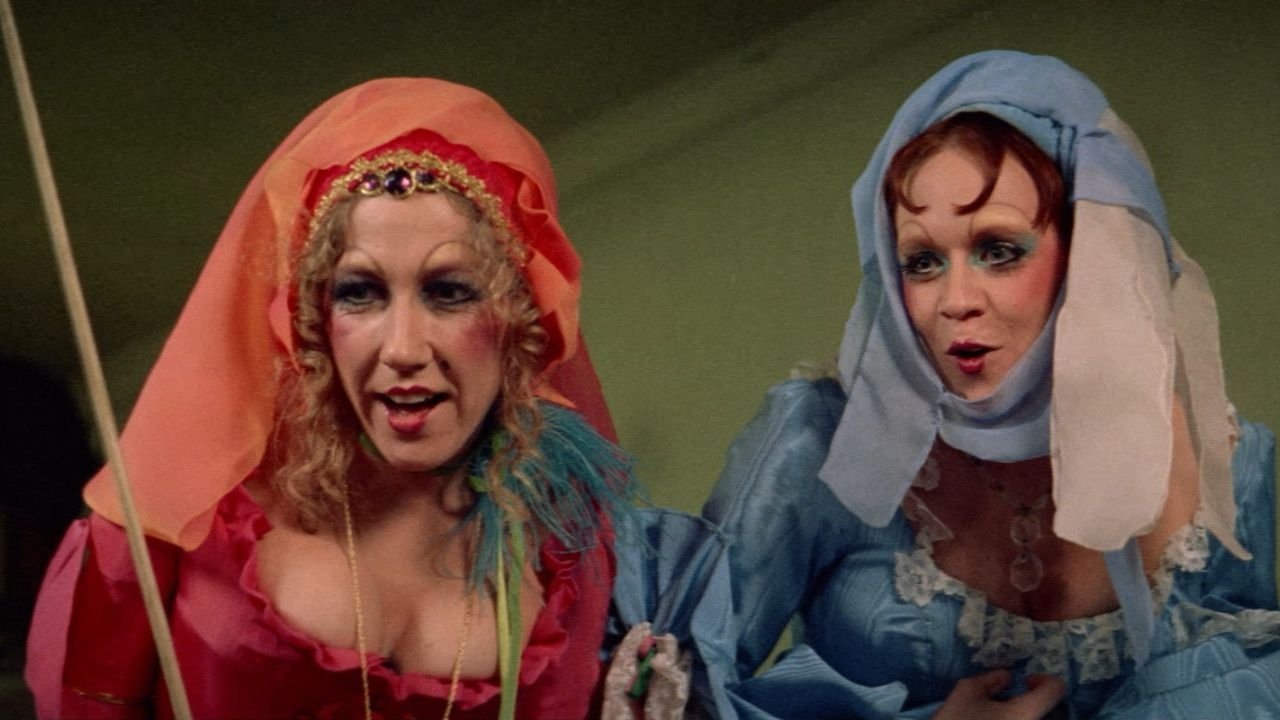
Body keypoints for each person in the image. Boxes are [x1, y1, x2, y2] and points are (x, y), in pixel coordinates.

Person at [25, 77, 639, 720]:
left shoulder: (562, 551)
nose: (402, 348)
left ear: (520, 316)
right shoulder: (176, 514)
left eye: (449, 292)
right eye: (360, 293)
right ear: (315, 318)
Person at [701, 51, 1279, 718]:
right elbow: (674, 692)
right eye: (922, 261)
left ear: (1091, 256)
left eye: (998, 251)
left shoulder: (1227, 472)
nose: (955, 301)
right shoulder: (820, 443)